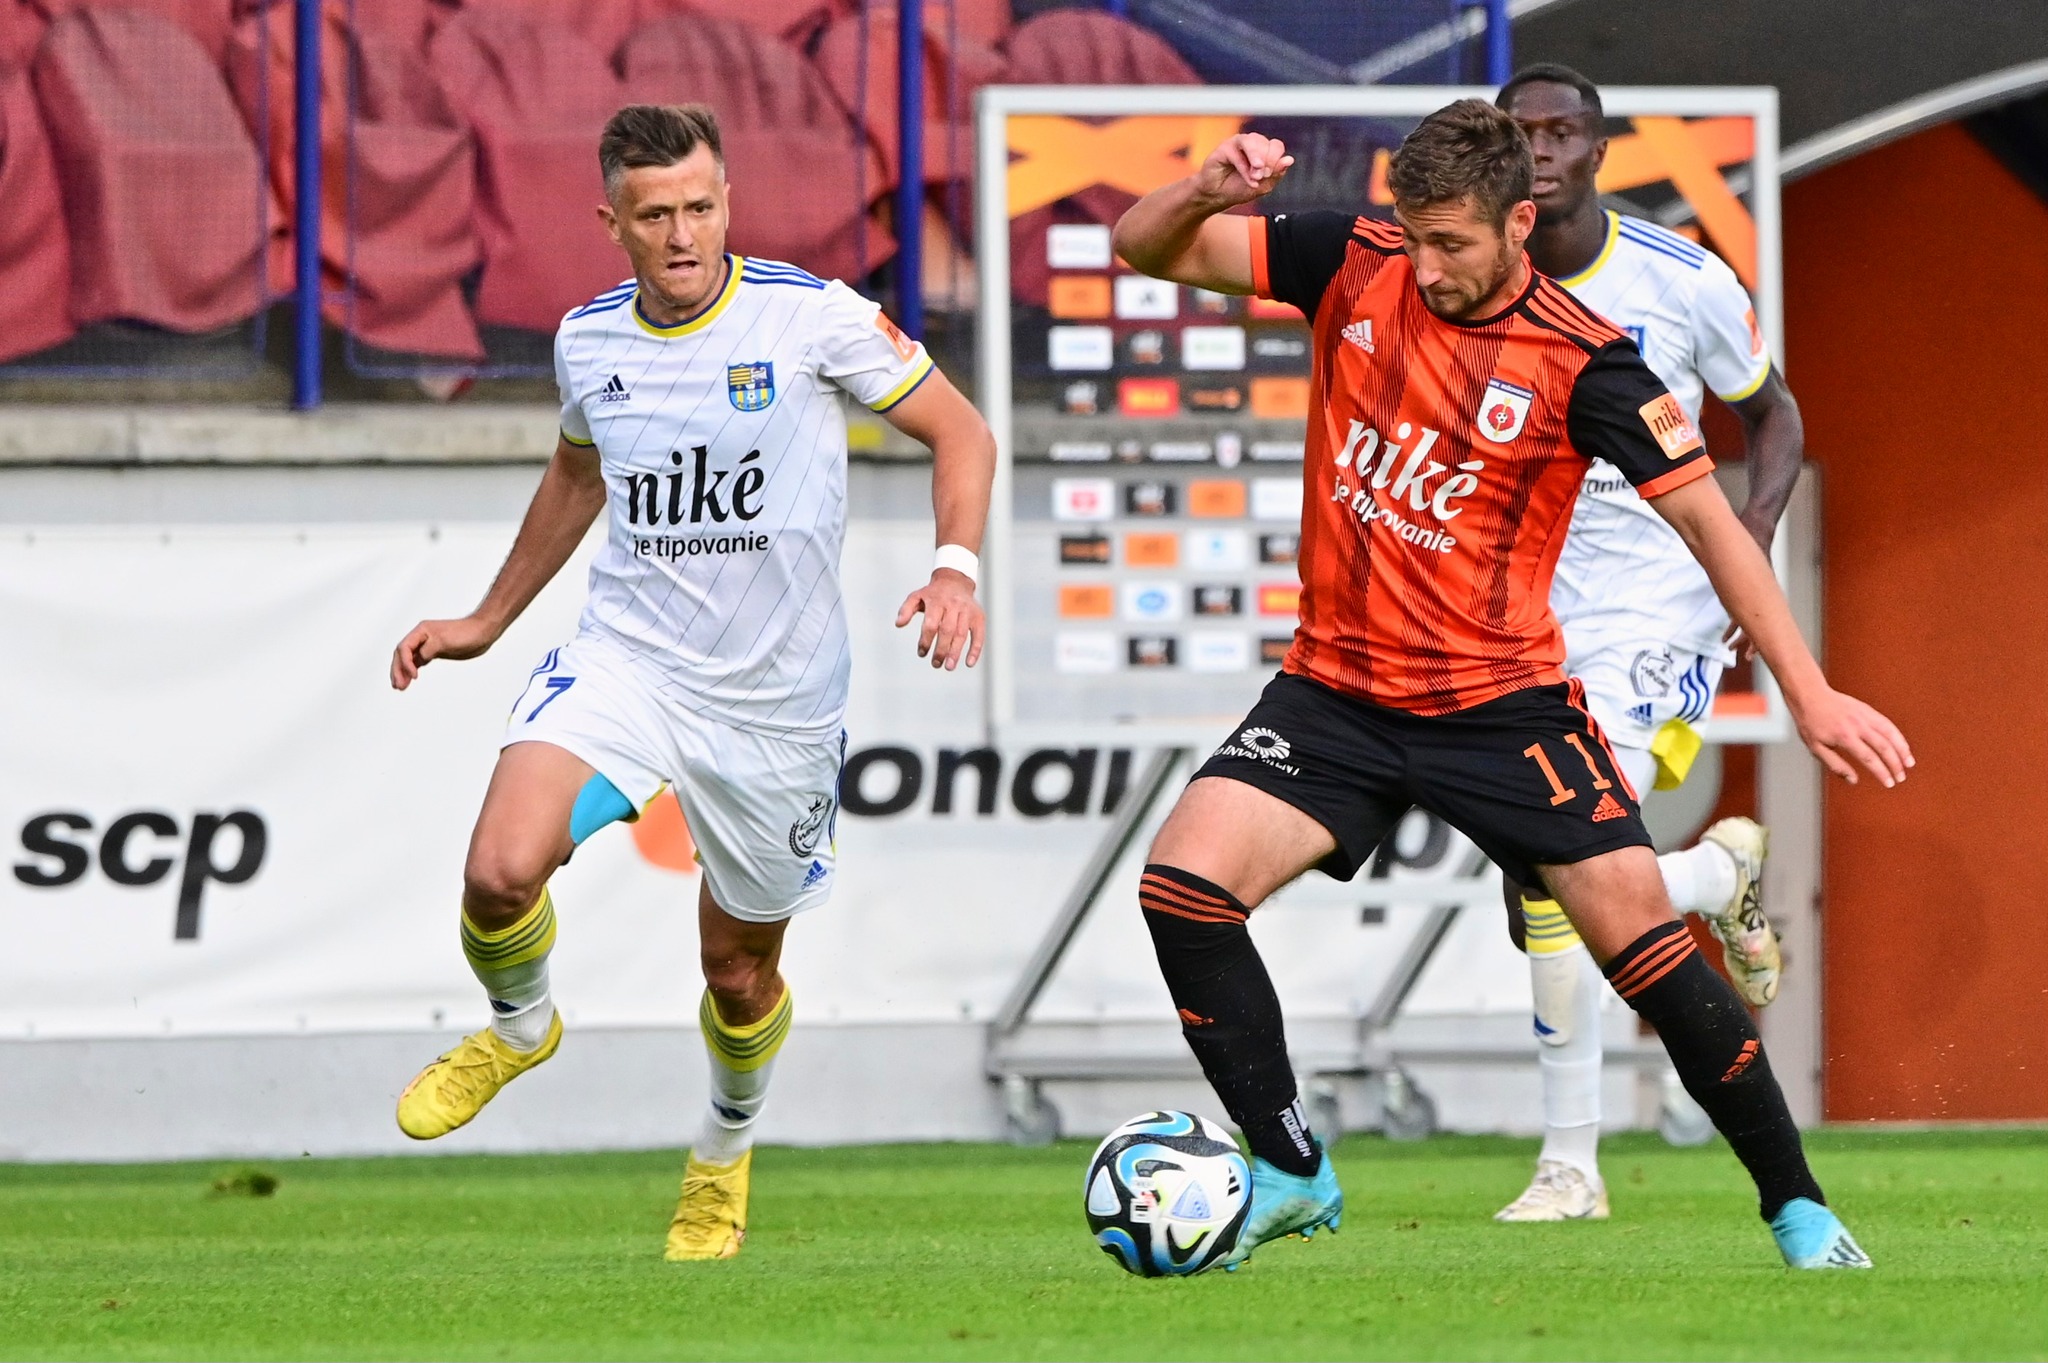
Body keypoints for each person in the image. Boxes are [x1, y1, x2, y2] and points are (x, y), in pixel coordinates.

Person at [1111, 99, 1907, 1271]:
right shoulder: (1349, 259)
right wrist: (1200, 191)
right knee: (1182, 889)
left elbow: (1711, 526)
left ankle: (1798, 1212)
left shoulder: (1587, 361)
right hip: (1333, 690)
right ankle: (1288, 1167)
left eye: (1450, 243)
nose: (1424, 266)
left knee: (1639, 947)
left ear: (1516, 224)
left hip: (1499, 708)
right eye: (1412, 236)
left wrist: (1810, 691)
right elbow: (1144, 249)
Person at [385, 104, 995, 1261]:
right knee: (499, 870)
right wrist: (486, 619)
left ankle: (721, 1153)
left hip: (776, 708)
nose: (681, 235)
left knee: (738, 973)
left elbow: (962, 434)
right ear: (610, 222)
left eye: (700, 207)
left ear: (728, 204)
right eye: (655, 214)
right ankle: (519, 1025)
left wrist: (953, 570)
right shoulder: (587, 340)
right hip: (629, 664)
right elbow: (578, 473)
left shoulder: (810, 318)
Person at [1484, 63, 1811, 1221]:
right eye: (1518, 132)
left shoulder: (1680, 278)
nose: (1538, 150)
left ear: (1597, 150)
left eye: (1558, 132)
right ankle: (1718, 873)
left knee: (1564, 861)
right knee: (1534, 882)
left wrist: (1744, 545)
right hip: (1518, 605)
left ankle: (1568, 1165)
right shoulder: (1470, 276)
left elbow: (1772, 413)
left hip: (1653, 601)